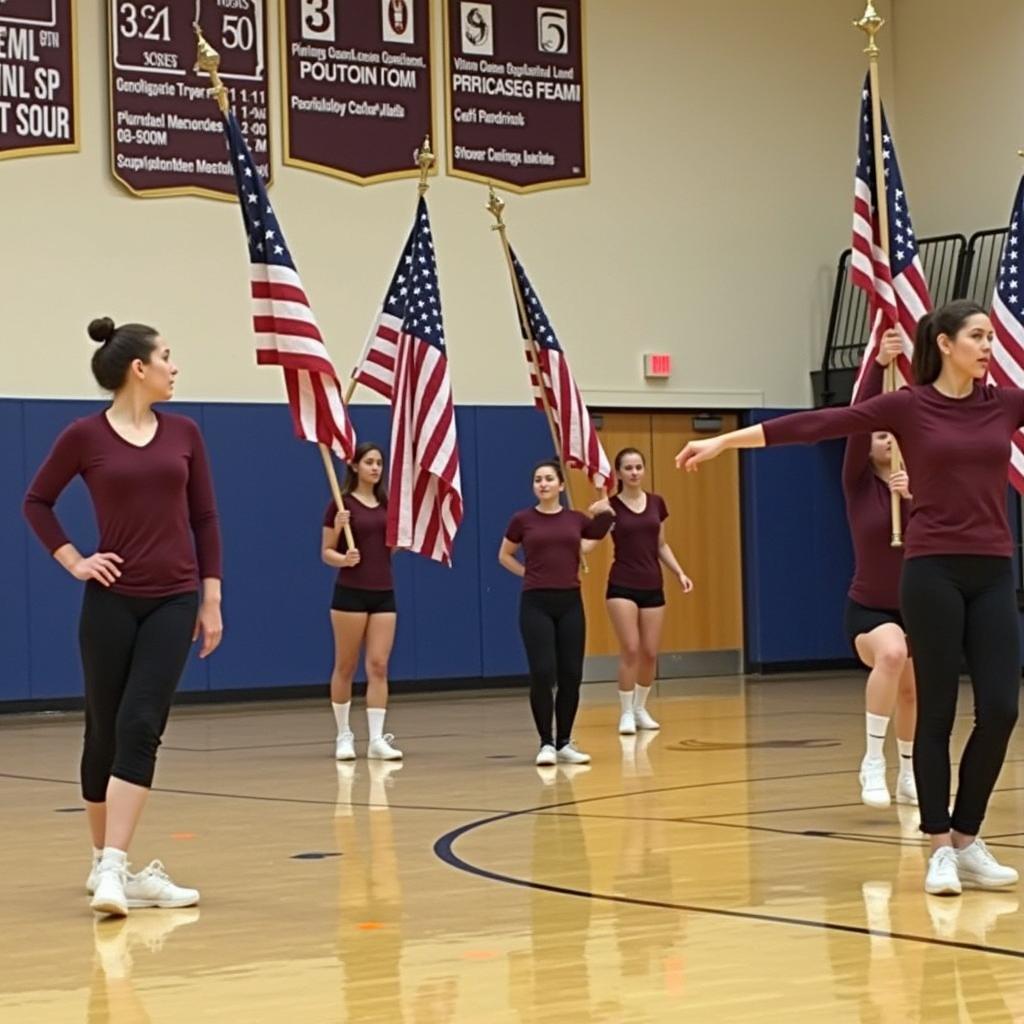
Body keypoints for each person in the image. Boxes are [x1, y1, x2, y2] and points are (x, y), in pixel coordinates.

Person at [676, 300, 1021, 896]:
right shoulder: (908, 407)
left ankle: (968, 839)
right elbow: (819, 425)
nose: (990, 345)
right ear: (944, 344)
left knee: (1001, 708)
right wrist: (725, 441)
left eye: (992, 336)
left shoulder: (1006, 404)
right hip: (931, 569)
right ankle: (939, 847)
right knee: (935, 709)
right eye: (979, 336)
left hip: (993, 571)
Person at [23, 317, 223, 917]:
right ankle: (105, 865)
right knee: (102, 733)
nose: (174, 366)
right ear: (139, 368)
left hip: (174, 598)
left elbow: (205, 519)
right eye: (167, 355)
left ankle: (114, 866)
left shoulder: (185, 431)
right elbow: (37, 502)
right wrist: (75, 561)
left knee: (141, 725)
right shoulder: (84, 436)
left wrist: (210, 598)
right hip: (110, 602)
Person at [843, 330, 917, 810]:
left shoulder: (924, 483)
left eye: (892, 432)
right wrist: (877, 367)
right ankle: (873, 761)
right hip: (869, 607)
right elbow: (855, 423)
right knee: (890, 655)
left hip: (921, 603)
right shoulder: (856, 483)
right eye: (878, 435)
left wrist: (916, 495)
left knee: (914, 692)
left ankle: (909, 771)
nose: (884, 439)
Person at [499, 459, 614, 765]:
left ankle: (564, 741)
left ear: (561, 485)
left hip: (570, 602)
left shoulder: (575, 518)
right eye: (538, 480)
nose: (543, 484)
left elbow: (592, 540)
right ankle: (545, 743)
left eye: (549, 479)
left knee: (572, 674)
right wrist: (526, 573)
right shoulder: (522, 520)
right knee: (542, 671)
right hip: (536, 603)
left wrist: (604, 512)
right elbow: (505, 555)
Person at [323, 443, 402, 762]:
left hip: (384, 591)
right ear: (355, 466)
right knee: (346, 664)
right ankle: (343, 734)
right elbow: (326, 551)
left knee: (379, 665)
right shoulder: (340, 505)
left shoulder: (387, 506)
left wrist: (398, 543)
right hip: (350, 593)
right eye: (369, 462)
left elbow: (387, 550)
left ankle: (376, 739)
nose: (375, 467)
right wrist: (344, 557)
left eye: (379, 463)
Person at [606, 447, 692, 735]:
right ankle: (626, 712)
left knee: (650, 652)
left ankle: (641, 708)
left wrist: (679, 572)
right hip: (622, 585)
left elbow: (661, 545)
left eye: (638, 467)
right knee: (630, 648)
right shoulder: (610, 506)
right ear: (618, 473)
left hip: (652, 583)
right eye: (628, 468)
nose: (633, 472)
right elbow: (590, 538)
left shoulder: (657, 503)